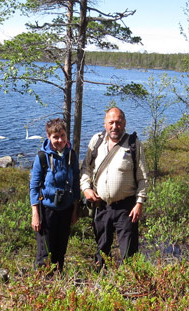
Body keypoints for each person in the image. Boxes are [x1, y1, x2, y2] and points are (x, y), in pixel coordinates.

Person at [80, 107, 148, 267]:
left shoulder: (133, 144)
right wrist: (86, 188)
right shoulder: (96, 141)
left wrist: (139, 203)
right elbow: (86, 169)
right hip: (101, 206)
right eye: (111, 122)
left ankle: (131, 285)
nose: (114, 126)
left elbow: (143, 177)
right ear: (105, 124)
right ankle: (101, 282)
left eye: (118, 122)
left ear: (124, 123)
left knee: (129, 252)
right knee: (101, 249)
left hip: (126, 208)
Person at [29, 118, 80, 273]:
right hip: (47, 211)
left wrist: (75, 210)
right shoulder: (42, 157)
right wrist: (35, 214)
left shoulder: (71, 155)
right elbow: (34, 187)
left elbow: (76, 183)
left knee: (60, 251)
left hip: (66, 209)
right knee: (45, 253)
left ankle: (58, 284)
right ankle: (42, 285)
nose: (60, 140)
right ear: (48, 136)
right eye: (55, 137)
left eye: (62, 136)